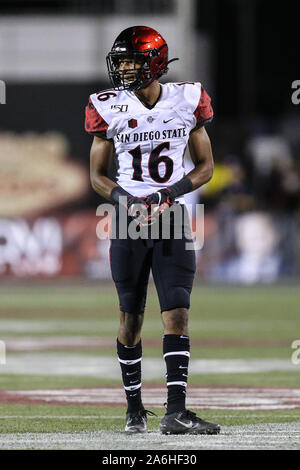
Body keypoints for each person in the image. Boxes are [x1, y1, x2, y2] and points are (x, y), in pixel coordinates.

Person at [85, 25, 220, 435]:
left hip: (172, 214)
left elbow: (206, 167)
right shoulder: (108, 106)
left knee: (176, 312)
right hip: (128, 217)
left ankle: (176, 412)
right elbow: (96, 176)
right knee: (131, 317)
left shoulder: (187, 99)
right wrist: (127, 200)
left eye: (131, 61)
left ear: (155, 62)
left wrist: (168, 193)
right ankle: (134, 408)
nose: (124, 69)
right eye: (121, 62)